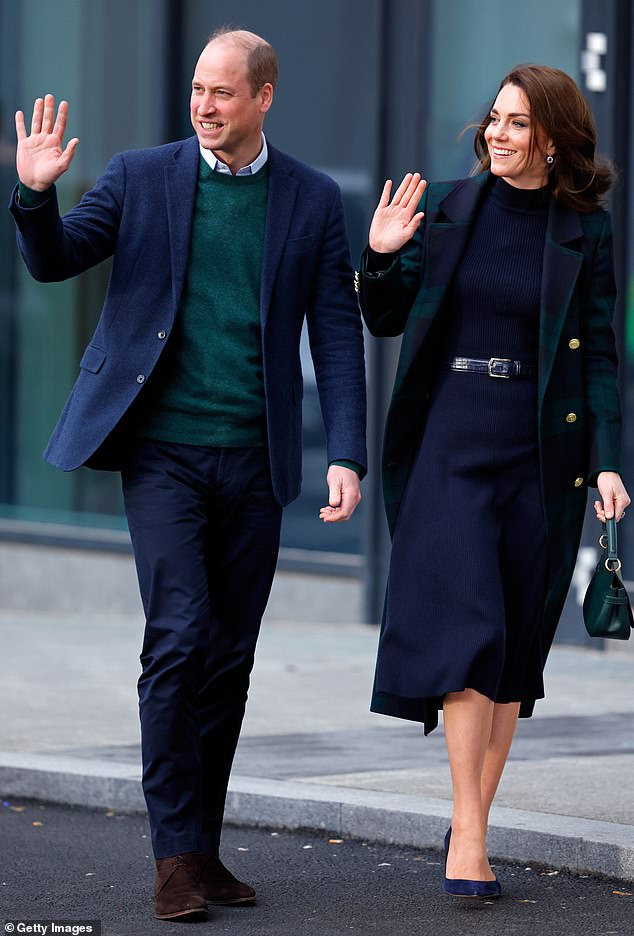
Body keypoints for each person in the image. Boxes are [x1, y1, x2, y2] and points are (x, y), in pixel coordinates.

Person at [10, 27, 366, 923]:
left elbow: (334, 331)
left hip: (255, 457)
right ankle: (173, 857)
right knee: (176, 638)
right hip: (162, 452)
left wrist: (347, 454)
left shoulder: (313, 200)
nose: (204, 106)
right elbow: (55, 261)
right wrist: (33, 194)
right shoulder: (141, 176)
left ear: (264, 98)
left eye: (223, 93)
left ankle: (202, 849)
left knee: (228, 659)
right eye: (198, 90)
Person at [357, 64, 629, 899]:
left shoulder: (586, 228)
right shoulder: (445, 206)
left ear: (552, 136)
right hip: (449, 443)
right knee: (470, 630)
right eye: (494, 120)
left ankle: (470, 818)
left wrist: (611, 459)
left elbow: (602, 350)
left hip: (542, 451)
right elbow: (386, 315)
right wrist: (380, 255)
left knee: (511, 649)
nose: (497, 134)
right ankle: (469, 835)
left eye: (516, 123)